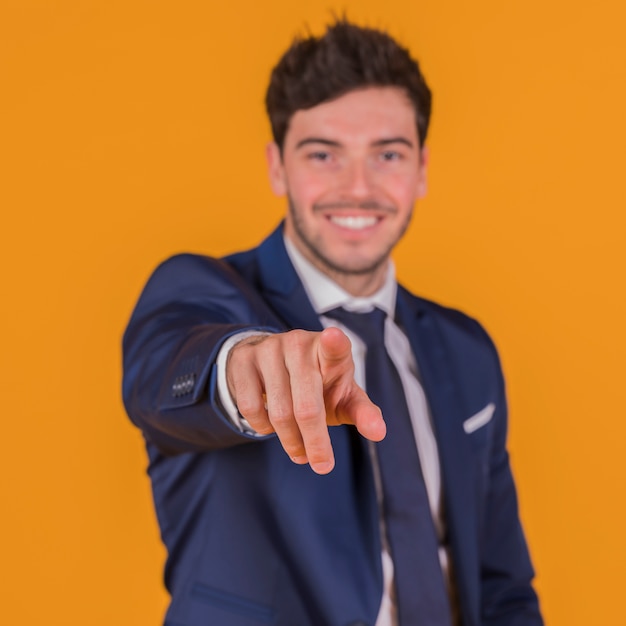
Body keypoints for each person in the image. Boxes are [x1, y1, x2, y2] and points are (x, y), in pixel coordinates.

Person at [122, 19, 543, 626]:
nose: (357, 187)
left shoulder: (467, 349)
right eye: (323, 154)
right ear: (277, 167)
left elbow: (503, 586)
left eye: (388, 154)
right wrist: (248, 368)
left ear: (421, 168)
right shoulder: (202, 294)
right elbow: (170, 375)